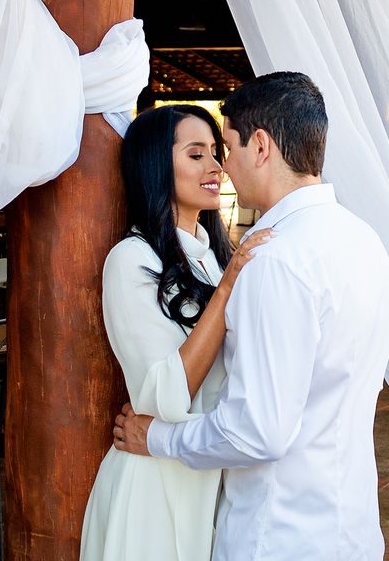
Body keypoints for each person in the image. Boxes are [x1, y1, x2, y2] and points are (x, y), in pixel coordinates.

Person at [113, 72, 389, 561]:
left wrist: (157, 437)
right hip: (348, 521)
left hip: (279, 530)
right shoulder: (362, 239)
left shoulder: (275, 259)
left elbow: (254, 431)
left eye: (227, 147)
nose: (224, 166)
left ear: (260, 146)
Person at [80, 104, 274, 561]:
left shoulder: (215, 256)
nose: (216, 167)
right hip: (156, 485)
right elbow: (164, 399)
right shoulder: (131, 261)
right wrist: (227, 290)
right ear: (155, 166)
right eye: (196, 154)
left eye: (216, 152)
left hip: (211, 474)